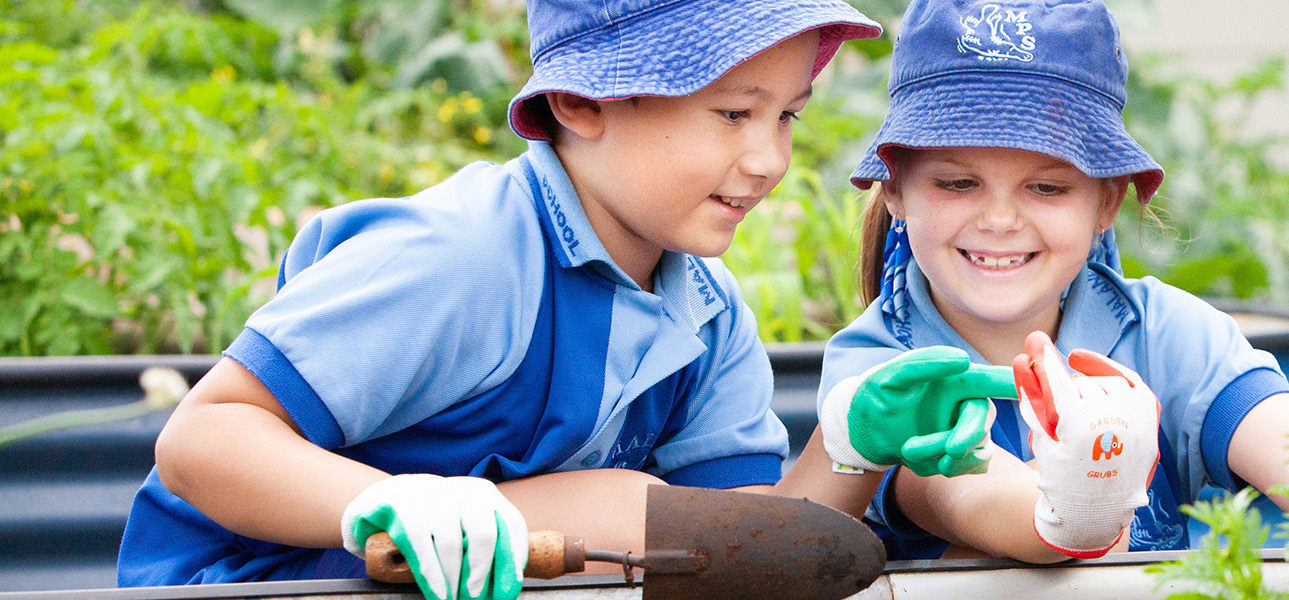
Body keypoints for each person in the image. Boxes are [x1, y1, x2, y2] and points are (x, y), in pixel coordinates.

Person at [118, 1, 1005, 598]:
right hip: (272, 582)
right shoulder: (465, 256)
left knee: (661, 527)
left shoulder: (707, 309)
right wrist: (387, 501)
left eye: (788, 117)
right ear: (583, 101)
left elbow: (743, 545)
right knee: (623, 504)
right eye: (735, 115)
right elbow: (203, 439)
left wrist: (846, 448)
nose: (770, 158)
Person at [811, 0, 1289, 563]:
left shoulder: (1169, 334)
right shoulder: (880, 371)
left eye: (1046, 187)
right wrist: (1083, 504)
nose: (999, 220)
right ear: (894, 189)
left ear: (1106, 203)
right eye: (956, 183)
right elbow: (962, 497)